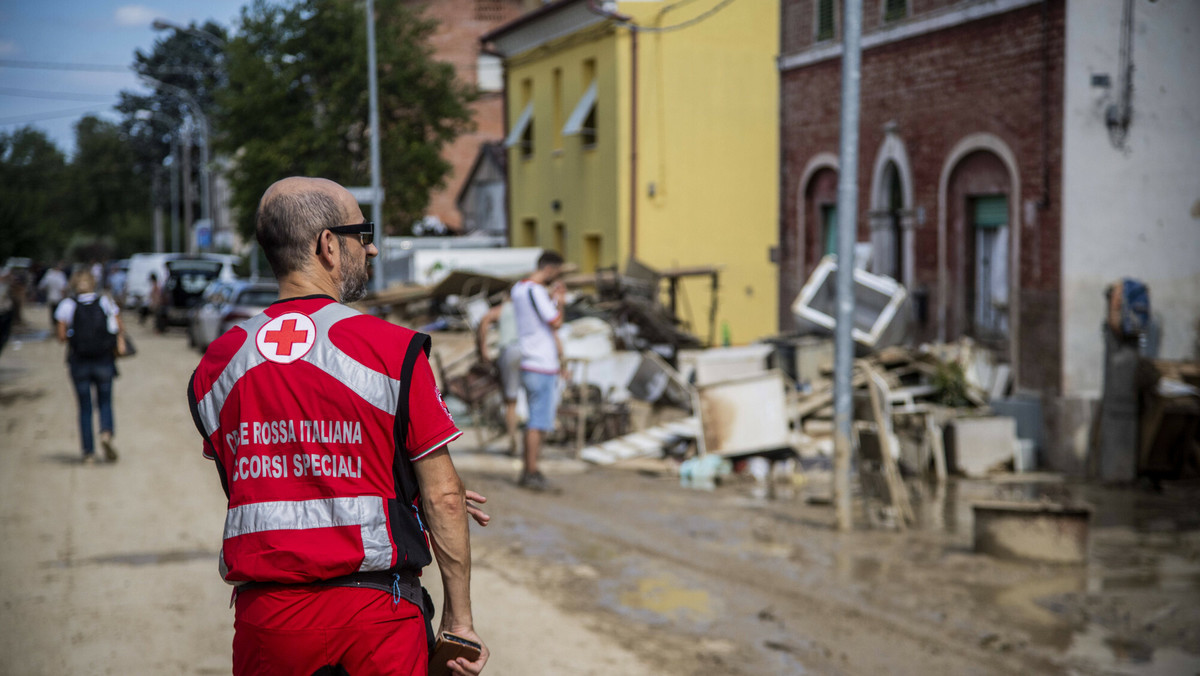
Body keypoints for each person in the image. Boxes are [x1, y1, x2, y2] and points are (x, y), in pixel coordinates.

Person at [187, 177, 489, 676]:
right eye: (362, 233)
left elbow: (265, 478)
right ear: (328, 245)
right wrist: (459, 624)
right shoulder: (392, 350)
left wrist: (402, 488)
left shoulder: (218, 365)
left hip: (269, 622)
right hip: (377, 620)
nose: (370, 248)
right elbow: (445, 499)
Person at [511, 251, 566, 491]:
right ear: (550, 269)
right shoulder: (535, 291)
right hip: (541, 362)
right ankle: (531, 470)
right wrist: (559, 302)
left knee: (535, 417)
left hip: (528, 360)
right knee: (538, 421)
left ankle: (529, 468)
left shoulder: (518, 289)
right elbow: (555, 320)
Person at [55, 269, 123, 464]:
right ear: (93, 283)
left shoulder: (67, 305)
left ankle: (88, 453)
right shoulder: (106, 302)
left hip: (79, 362)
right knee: (105, 401)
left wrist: (76, 336)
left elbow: (61, 337)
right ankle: (106, 434)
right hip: (104, 360)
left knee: (85, 407)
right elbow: (118, 327)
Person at [476, 291, 521, 455]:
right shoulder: (527, 308)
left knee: (510, 402)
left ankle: (514, 443)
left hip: (509, 352)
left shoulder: (505, 308)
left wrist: (483, 349)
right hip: (530, 354)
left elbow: (484, 320)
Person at [38, 262, 68, 329]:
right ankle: (57, 328)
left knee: (53, 313)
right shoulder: (60, 275)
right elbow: (63, 287)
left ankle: (54, 327)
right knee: (58, 313)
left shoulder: (49, 274)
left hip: (51, 297)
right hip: (58, 297)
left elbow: (42, 286)